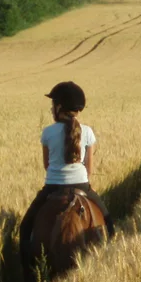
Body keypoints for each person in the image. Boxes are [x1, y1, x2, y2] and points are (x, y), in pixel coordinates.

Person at [19, 81, 115, 256]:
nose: (51, 109)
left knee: (25, 228)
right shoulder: (87, 131)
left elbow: (47, 165)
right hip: (82, 186)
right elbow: (89, 168)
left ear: (59, 107)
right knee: (109, 223)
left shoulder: (48, 132)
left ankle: (29, 278)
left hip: (52, 187)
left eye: (53, 104)